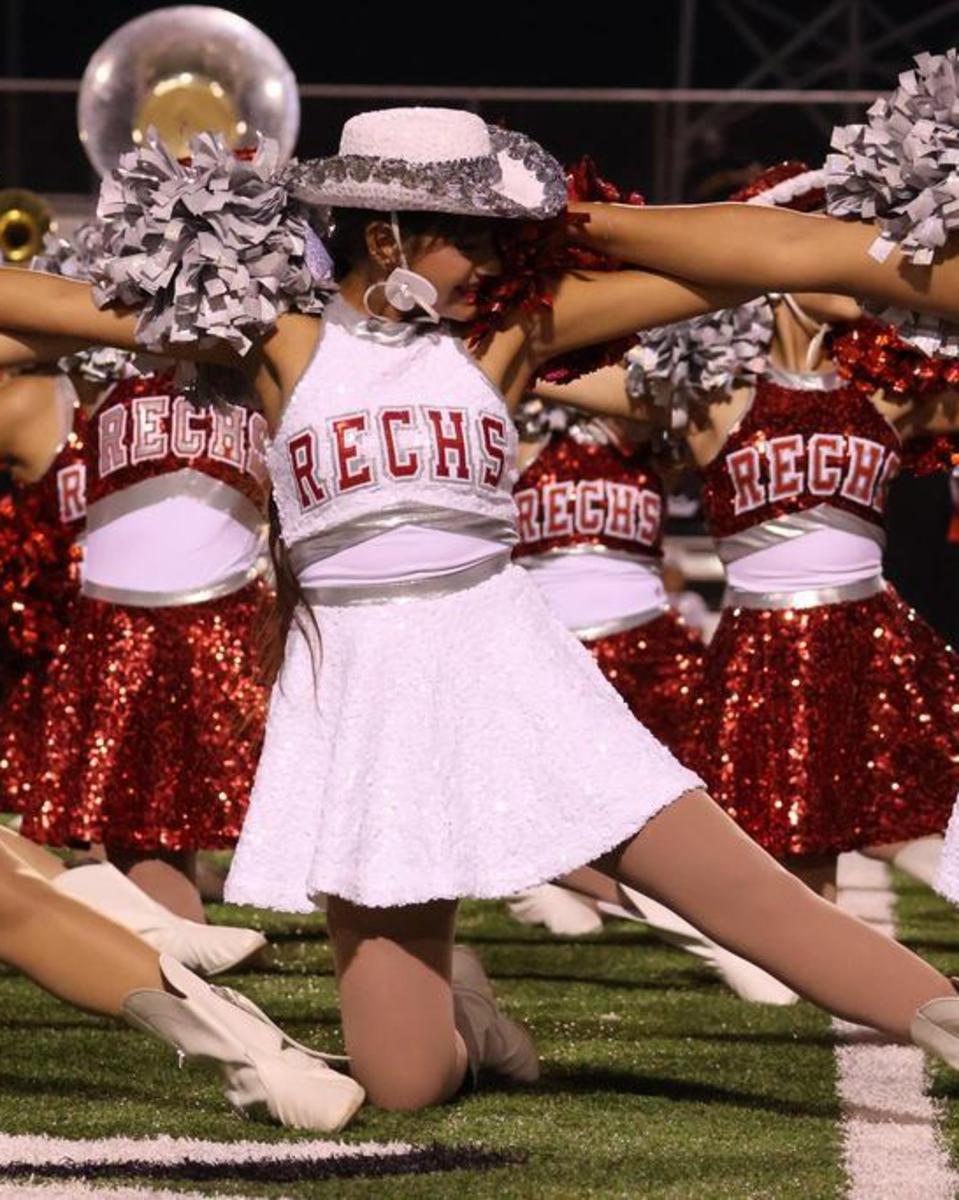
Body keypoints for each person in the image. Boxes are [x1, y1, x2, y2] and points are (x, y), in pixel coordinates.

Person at [5, 99, 959, 1112]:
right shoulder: (276, 340)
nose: (491, 264)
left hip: (506, 661)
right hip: (362, 706)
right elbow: (37, 301)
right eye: (470, 239)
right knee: (405, 1084)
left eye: (499, 238)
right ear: (386, 238)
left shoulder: (507, 334)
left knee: (742, 898)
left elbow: (775, 251)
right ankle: (470, 1012)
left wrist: (575, 226)